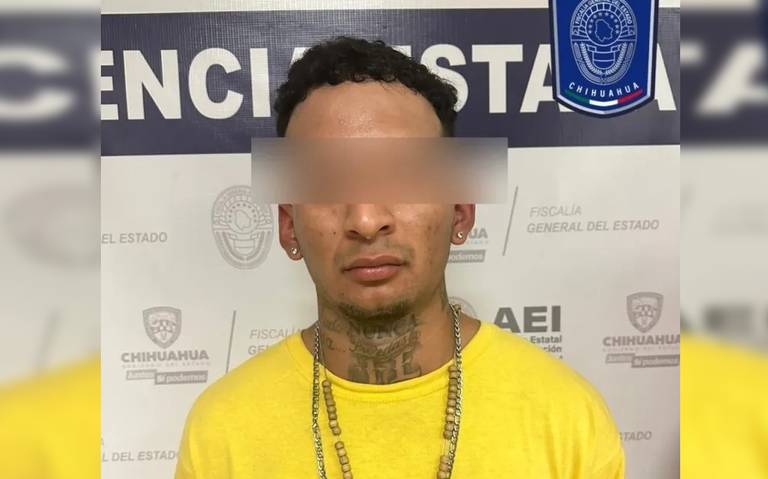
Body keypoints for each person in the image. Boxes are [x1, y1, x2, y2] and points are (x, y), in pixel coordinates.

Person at [175, 36, 625, 479]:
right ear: (288, 225)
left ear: (461, 210)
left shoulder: (568, 421)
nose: (366, 220)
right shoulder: (220, 433)